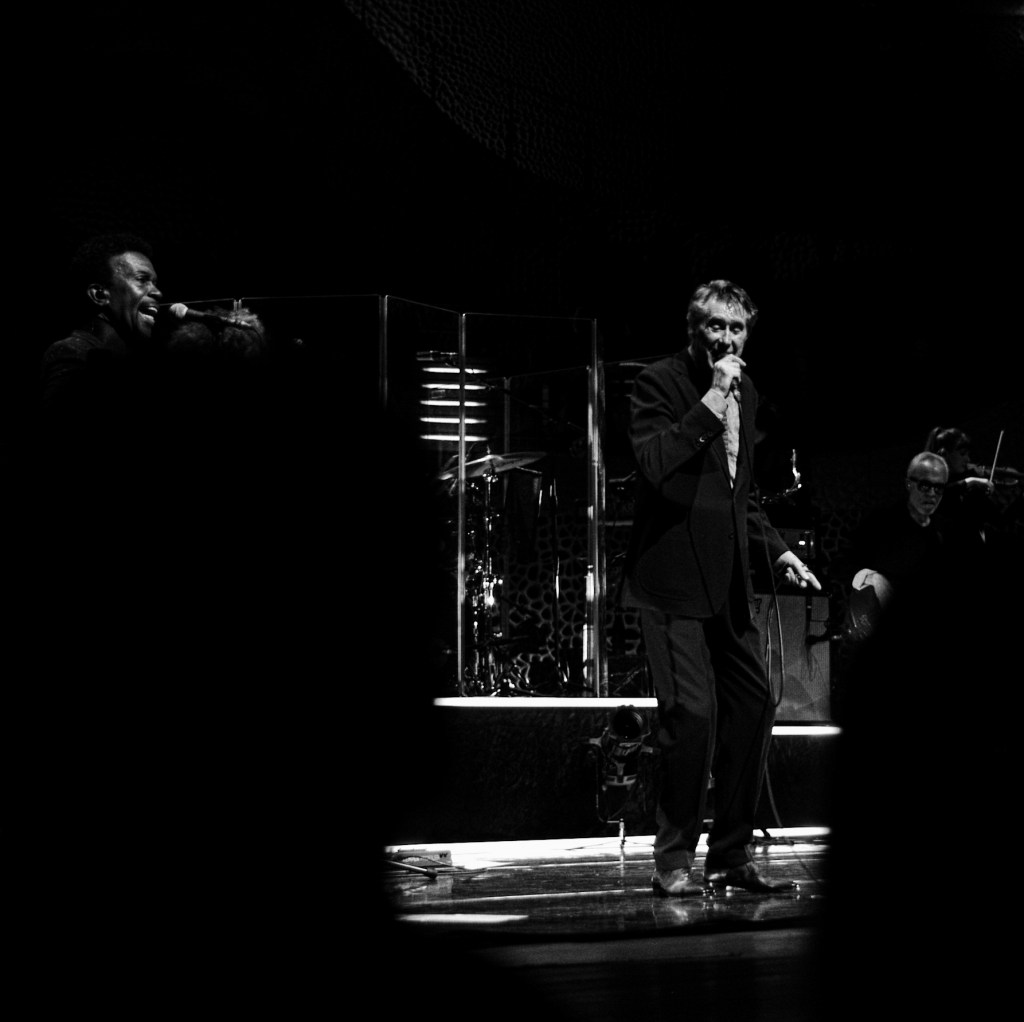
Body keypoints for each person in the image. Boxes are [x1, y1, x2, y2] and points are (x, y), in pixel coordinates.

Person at [621, 279, 820, 897]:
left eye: (736, 329)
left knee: (755, 703)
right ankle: (673, 859)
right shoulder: (659, 384)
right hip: (670, 581)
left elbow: (739, 495)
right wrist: (711, 399)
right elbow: (656, 464)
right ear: (694, 329)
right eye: (716, 326)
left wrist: (778, 550)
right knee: (693, 715)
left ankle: (731, 855)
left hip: (727, 579)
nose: (726, 339)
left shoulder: (747, 392)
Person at [845, 451, 949, 637]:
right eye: (925, 486)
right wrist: (871, 578)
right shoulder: (882, 522)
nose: (932, 494)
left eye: (938, 488)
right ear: (909, 484)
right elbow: (843, 563)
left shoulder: (944, 530)